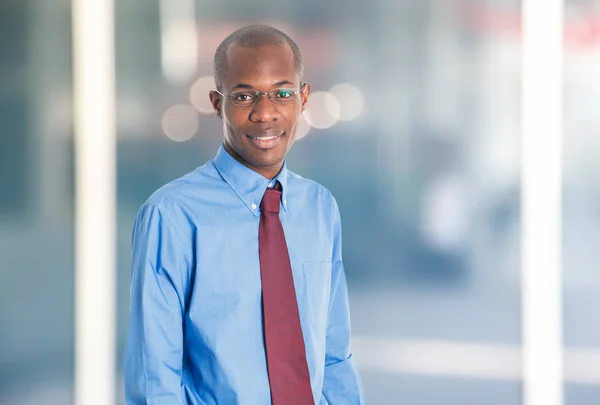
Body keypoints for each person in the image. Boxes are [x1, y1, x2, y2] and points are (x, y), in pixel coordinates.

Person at [124, 24, 364, 405]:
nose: (265, 112)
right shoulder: (171, 216)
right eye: (244, 95)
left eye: (282, 93)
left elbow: (334, 356)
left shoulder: (320, 207)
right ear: (217, 103)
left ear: (303, 99)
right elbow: (155, 380)